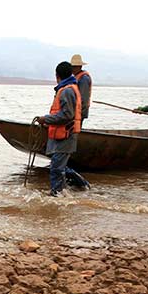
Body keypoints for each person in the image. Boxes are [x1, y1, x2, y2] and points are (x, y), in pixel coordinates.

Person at [36, 61, 90, 196]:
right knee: (59, 166)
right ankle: (79, 186)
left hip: (66, 135)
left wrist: (45, 119)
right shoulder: (68, 88)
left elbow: (67, 115)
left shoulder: (66, 90)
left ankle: (57, 194)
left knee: (56, 168)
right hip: (63, 134)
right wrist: (48, 122)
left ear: (57, 76)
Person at [70, 54, 92, 121]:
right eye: (72, 67)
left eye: (75, 67)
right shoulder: (76, 77)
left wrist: (78, 114)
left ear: (80, 66)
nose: (73, 69)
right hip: (75, 111)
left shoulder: (83, 79)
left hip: (79, 112)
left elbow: (83, 99)